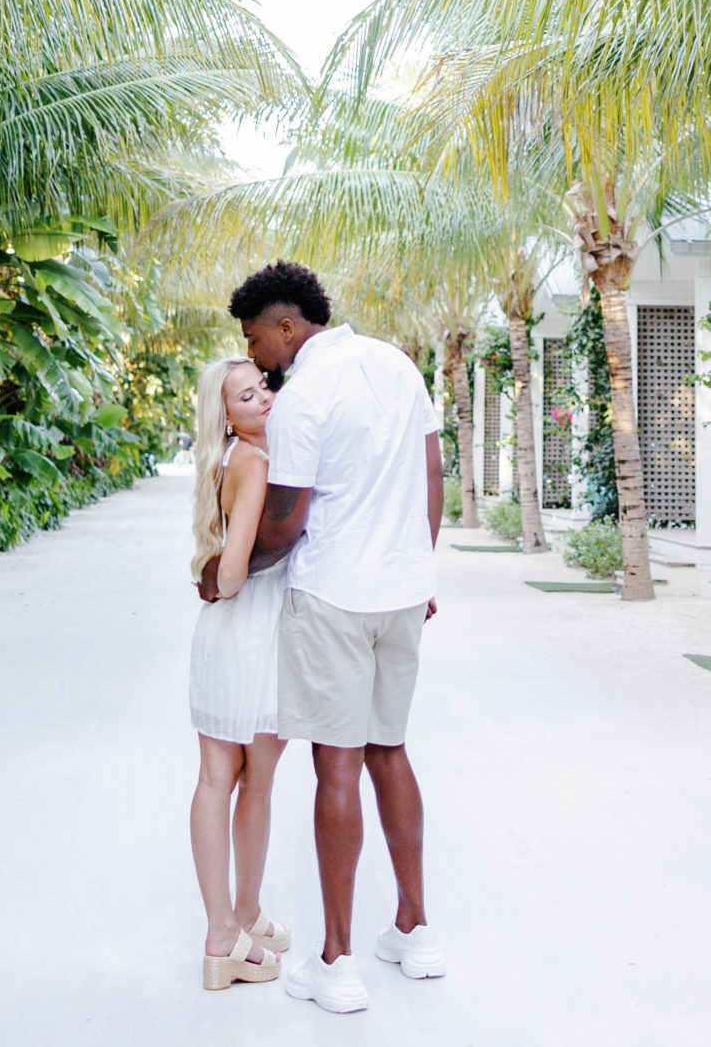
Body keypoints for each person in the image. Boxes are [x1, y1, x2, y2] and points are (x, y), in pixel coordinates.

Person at [213, 260, 447, 1014]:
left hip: (336, 595)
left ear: (288, 327)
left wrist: (227, 570)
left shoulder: (305, 393)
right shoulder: (396, 364)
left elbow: (286, 522)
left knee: (337, 768)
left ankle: (336, 962)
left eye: (257, 341)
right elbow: (431, 470)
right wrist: (420, 565)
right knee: (392, 750)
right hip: (403, 593)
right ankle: (415, 930)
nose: (256, 359)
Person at [186, 357, 293, 991]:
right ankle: (230, 929)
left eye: (264, 387)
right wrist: (225, 585)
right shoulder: (254, 463)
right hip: (251, 630)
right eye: (247, 396)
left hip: (227, 639)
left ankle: (232, 924)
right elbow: (229, 575)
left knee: (216, 780)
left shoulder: (227, 460)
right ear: (226, 414)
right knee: (251, 783)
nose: (264, 401)